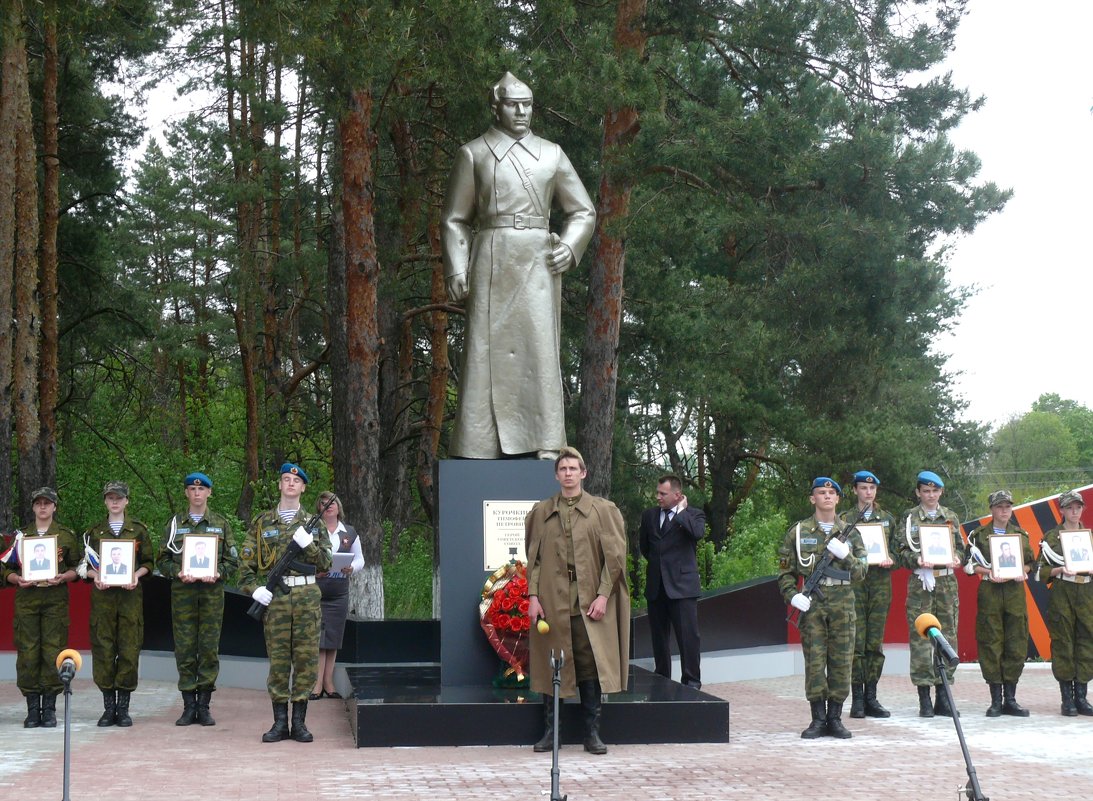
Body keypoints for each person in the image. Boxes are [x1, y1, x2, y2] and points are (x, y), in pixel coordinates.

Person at [441, 72, 596, 459]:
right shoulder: (474, 153)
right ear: (497, 107)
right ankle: (479, 444)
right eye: (514, 104)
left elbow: (582, 210)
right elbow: (455, 219)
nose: (523, 111)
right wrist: (457, 268)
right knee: (483, 351)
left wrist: (572, 247)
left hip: (537, 262)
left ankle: (544, 441)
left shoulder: (551, 153)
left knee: (539, 350)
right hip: (491, 256)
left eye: (528, 104)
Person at [525, 447, 629, 754]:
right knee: (550, 666)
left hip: (588, 604)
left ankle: (591, 733)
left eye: (573, 468)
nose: (568, 473)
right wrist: (532, 596)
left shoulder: (602, 510)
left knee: (589, 667)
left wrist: (602, 596)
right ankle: (551, 734)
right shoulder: (541, 512)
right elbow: (535, 561)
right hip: (552, 602)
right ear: (556, 475)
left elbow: (615, 559)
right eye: (563, 469)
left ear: (583, 473)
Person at [240, 463, 331, 743]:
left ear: (303, 487)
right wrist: (255, 590)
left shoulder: (313, 526)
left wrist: (310, 545)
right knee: (279, 662)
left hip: (306, 601)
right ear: (280, 485)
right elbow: (244, 568)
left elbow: (327, 563)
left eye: (296, 480)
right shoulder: (262, 522)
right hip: (276, 601)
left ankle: (299, 724)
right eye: (285, 479)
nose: (290, 483)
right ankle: (280, 723)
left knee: (305, 662)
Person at [778, 477, 867, 739]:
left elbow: (861, 572)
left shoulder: (852, 533)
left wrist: (846, 555)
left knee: (841, 662)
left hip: (843, 602)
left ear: (838, 499)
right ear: (812, 498)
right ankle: (817, 718)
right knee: (815, 662)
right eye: (821, 492)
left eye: (832, 493)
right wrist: (792, 596)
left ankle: (835, 718)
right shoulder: (798, 531)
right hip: (812, 604)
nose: (827, 496)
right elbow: (785, 572)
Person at [157, 472, 238, 727]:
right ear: (186, 493)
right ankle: (187, 705)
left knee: (208, 648)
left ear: (209, 493)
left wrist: (219, 573)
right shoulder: (174, 525)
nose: (197, 493)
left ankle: (203, 705)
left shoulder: (221, 524)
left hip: (212, 595)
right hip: (183, 595)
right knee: (184, 648)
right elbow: (162, 560)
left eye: (201, 489)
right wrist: (177, 572)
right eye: (192, 489)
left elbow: (233, 561)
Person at [5, 487, 79, 728]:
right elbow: (5, 567)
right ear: (33, 507)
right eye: (39, 503)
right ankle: (32, 708)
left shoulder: (66, 536)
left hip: (55, 601)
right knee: (28, 652)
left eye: (48, 503)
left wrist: (63, 577)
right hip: (27, 601)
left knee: (53, 651)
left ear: (55, 507)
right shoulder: (21, 537)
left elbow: (77, 567)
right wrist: (16, 579)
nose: (43, 507)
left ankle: (49, 708)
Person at [83, 481, 154, 727]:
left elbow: (149, 562)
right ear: (105, 501)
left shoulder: (138, 530)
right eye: (110, 498)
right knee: (103, 650)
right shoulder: (94, 533)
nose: (114, 502)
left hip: (129, 598)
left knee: (128, 649)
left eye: (119, 498)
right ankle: (108, 707)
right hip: (103, 599)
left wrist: (136, 575)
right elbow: (85, 567)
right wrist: (96, 577)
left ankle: (123, 708)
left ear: (126, 501)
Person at [896, 470, 965, 718]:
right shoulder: (909, 518)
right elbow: (900, 551)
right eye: (926, 491)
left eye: (935, 491)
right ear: (918, 493)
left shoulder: (951, 517)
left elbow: (962, 550)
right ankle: (924, 698)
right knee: (921, 641)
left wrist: (958, 558)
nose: (931, 495)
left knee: (948, 638)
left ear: (941, 492)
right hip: (921, 585)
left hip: (946, 584)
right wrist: (917, 559)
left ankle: (944, 698)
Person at [965, 489, 1033, 717]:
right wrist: (988, 571)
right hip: (990, 591)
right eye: (1000, 506)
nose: (1004, 510)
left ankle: (1010, 699)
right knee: (990, 641)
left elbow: (1030, 563)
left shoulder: (1020, 535)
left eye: (1008, 506)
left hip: (1014, 592)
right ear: (992, 509)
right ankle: (995, 700)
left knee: (1016, 641)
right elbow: (968, 565)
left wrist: (1021, 571)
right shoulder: (977, 535)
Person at [639, 474, 705, 688]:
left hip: (682, 589)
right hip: (657, 587)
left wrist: (682, 513)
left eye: (663, 494)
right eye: (657, 492)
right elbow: (645, 548)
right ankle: (662, 680)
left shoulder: (693, 514)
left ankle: (691, 682)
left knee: (688, 639)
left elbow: (697, 533)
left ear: (677, 495)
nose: (658, 497)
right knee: (659, 640)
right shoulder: (649, 515)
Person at [840, 470, 897, 719]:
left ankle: (872, 696)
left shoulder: (887, 520)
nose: (868, 492)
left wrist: (891, 559)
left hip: (880, 584)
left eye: (872, 489)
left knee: (875, 643)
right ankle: (857, 699)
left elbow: (898, 551)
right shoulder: (844, 520)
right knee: (856, 643)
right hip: (856, 585)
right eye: (863, 488)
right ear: (855, 490)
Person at [1038, 489, 1093, 716]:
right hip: (1063, 591)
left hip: (1086, 591)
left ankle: (1082, 696)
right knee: (1063, 643)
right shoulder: (1051, 537)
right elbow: (1041, 571)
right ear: (1061, 510)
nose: (1074, 511)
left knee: (1087, 641)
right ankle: (1067, 699)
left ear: (1082, 509)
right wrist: (1060, 569)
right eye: (1069, 507)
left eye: (1078, 507)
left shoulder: (1089, 537)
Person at [310, 491, 363, 700]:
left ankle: (329, 683)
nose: (328, 506)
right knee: (317, 638)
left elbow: (360, 559)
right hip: (315, 590)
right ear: (319, 509)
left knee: (332, 638)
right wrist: (314, 571)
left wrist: (352, 568)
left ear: (338, 507)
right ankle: (316, 684)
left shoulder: (349, 532)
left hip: (339, 592)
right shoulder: (312, 530)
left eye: (332, 502)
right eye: (323, 503)